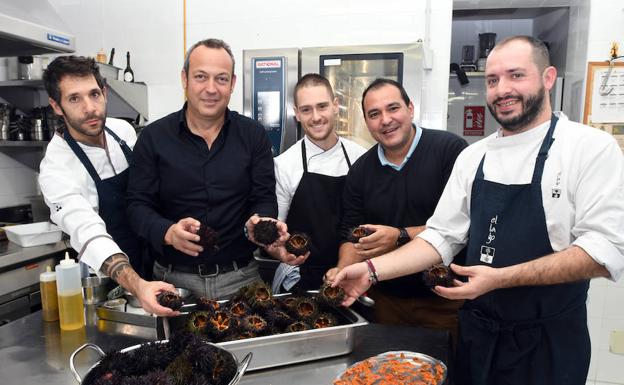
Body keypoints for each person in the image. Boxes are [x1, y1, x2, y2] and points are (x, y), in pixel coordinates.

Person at [333, 36, 624, 385]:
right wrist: (369, 270)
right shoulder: (474, 157)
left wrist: (500, 278)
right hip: (479, 334)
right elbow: (441, 237)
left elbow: (604, 251)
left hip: (547, 339)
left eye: (516, 75)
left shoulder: (589, 148)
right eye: (492, 80)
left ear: (548, 78)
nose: (502, 89)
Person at [126, 38, 283, 299]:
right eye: (201, 77)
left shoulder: (253, 135)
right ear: (185, 79)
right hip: (172, 283)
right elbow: (136, 205)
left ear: (232, 84)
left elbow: (264, 196)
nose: (211, 89)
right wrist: (167, 232)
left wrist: (260, 222)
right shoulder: (153, 137)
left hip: (242, 280)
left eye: (221, 79)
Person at [327, 78, 468, 333]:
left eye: (393, 108)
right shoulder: (360, 171)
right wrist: (342, 270)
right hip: (386, 302)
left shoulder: (450, 151)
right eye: (374, 114)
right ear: (366, 122)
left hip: (446, 300)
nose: (385, 120)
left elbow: (463, 225)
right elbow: (351, 234)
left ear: (410, 108)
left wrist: (400, 236)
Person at [39, 56, 176, 316]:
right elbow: (89, 232)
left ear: (104, 92)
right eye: (74, 99)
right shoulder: (56, 168)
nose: (90, 108)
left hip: (153, 261)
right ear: (56, 106)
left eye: (94, 94)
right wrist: (137, 285)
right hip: (110, 285)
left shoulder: (121, 131)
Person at [267, 73, 367, 293]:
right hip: (301, 279)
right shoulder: (284, 165)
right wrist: (281, 253)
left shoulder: (361, 158)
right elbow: (275, 233)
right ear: (297, 114)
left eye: (322, 106)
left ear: (335, 106)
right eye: (306, 110)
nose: (316, 117)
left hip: (354, 275)